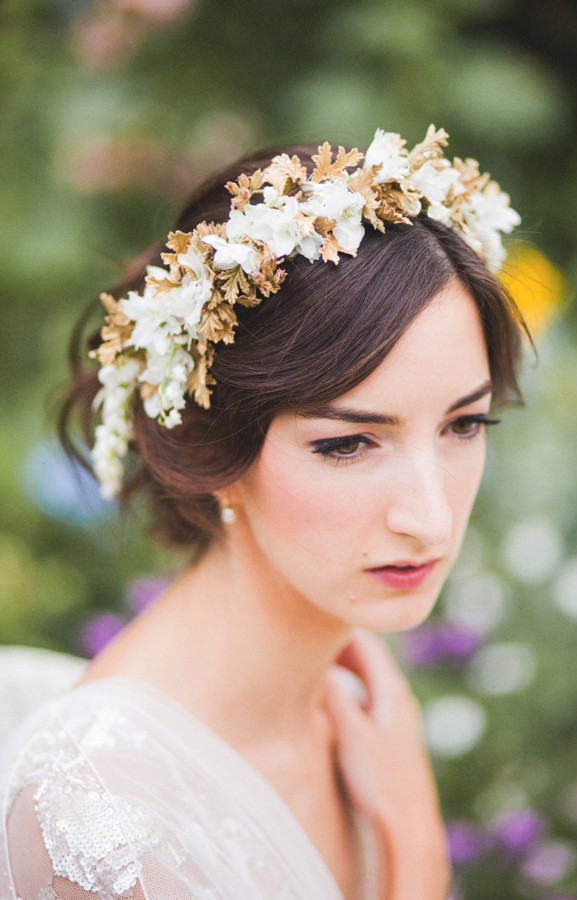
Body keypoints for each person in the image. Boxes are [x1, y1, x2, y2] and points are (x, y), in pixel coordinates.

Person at [0, 126, 523, 900]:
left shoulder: (354, 713)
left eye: (463, 425)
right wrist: (414, 852)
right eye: (348, 444)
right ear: (212, 446)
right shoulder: (108, 820)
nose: (432, 519)